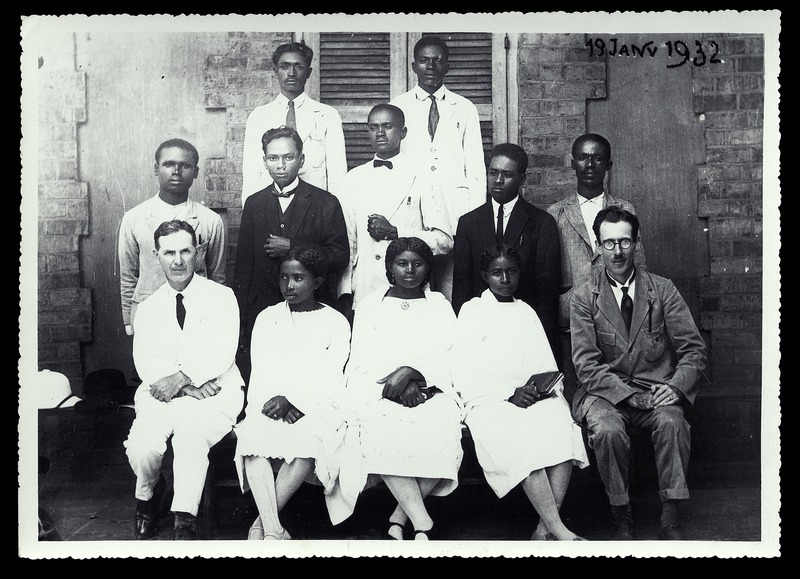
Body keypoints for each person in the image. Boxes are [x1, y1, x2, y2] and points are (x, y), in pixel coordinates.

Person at [570, 206, 707, 541]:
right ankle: (621, 514)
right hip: (603, 393)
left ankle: (671, 516)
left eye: (625, 242)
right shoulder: (585, 295)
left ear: (637, 243)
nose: (617, 252)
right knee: (606, 430)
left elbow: (694, 351)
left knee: (673, 422)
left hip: (657, 388)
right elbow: (586, 364)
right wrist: (631, 395)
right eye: (609, 244)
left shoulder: (662, 290)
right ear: (598, 246)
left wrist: (675, 388)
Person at [329, 237, 464, 539]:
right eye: (402, 263)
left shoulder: (439, 306)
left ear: (428, 269)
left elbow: (452, 355)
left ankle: (399, 517)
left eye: (417, 264)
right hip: (379, 392)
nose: (409, 270)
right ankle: (423, 523)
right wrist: (396, 382)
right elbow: (361, 359)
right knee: (380, 430)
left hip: (431, 391)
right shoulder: (370, 306)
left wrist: (415, 373)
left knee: (442, 429)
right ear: (389, 268)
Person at [452, 244, 589, 541]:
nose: (505, 279)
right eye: (497, 273)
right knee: (519, 439)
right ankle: (559, 529)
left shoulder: (525, 311)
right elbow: (464, 369)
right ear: (485, 276)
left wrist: (539, 390)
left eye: (511, 272)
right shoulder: (472, 311)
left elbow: (546, 365)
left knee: (561, 425)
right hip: (490, 400)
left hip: (531, 396)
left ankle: (544, 529)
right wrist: (508, 394)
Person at [123, 220, 245, 540]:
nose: (177, 260)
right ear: (157, 255)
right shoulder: (148, 308)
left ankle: (184, 518)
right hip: (162, 388)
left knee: (189, 435)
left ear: (198, 252)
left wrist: (186, 377)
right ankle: (147, 496)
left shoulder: (222, 297)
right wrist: (184, 383)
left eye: (185, 251)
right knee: (143, 446)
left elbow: (223, 350)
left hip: (216, 388)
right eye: (169, 252)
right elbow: (145, 361)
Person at [234, 246, 351, 541]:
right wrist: (275, 402)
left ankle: (262, 526)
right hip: (270, 403)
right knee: (252, 437)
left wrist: (295, 401)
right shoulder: (267, 318)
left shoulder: (335, 322)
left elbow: (330, 375)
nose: (289, 285)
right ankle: (274, 531)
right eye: (284, 277)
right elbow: (260, 373)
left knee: (309, 439)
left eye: (299, 278)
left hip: (317, 405)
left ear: (318, 282)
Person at [232, 126, 349, 384]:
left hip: (312, 307)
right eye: (273, 158)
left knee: (310, 375)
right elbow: (243, 266)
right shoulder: (254, 203)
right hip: (263, 309)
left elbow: (340, 256)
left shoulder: (326, 202)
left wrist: (293, 246)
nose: (281, 165)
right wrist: (242, 318)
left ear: (301, 159)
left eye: (288, 157)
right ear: (264, 162)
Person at [547, 133, 646, 405]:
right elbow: (548, 274)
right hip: (572, 319)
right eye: (582, 158)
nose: (590, 165)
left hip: (616, 318)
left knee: (616, 394)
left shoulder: (625, 209)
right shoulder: (556, 213)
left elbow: (639, 267)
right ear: (572, 163)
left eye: (597, 158)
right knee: (576, 395)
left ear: (609, 165)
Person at [390, 35, 486, 302]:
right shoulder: (399, 105)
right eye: (424, 61)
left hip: (454, 208)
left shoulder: (464, 108)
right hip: (414, 207)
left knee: (452, 287)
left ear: (447, 66)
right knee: (414, 279)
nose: (430, 66)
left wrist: (475, 218)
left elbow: (476, 167)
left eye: (437, 61)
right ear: (413, 66)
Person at [336, 103, 452, 317]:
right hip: (365, 289)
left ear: (403, 132)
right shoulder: (352, 180)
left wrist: (396, 233)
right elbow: (348, 242)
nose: (380, 133)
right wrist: (345, 291)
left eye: (387, 126)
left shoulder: (424, 177)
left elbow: (444, 241)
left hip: (410, 287)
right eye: (373, 127)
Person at [452, 142, 561, 359]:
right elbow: (462, 288)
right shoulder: (468, 222)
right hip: (480, 335)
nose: (498, 181)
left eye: (507, 174)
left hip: (524, 334)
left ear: (522, 179)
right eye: (493, 173)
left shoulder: (541, 223)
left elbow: (547, 292)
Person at [118, 138, 226, 336]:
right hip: (149, 310)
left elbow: (216, 275)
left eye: (184, 165)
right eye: (168, 164)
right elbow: (128, 275)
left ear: (195, 172)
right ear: (156, 169)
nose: (176, 171)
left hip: (197, 312)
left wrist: (216, 315)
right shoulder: (134, 218)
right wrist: (128, 319)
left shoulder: (210, 220)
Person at [241, 41, 347, 206]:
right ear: (275, 71)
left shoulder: (327, 115)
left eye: (298, 67)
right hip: (271, 204)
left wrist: (332, 214)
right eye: (285, 66)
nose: (291, 73)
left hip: (314, 206)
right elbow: (251, 174)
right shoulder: (259, 116)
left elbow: (337, 175)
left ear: (309, 72)